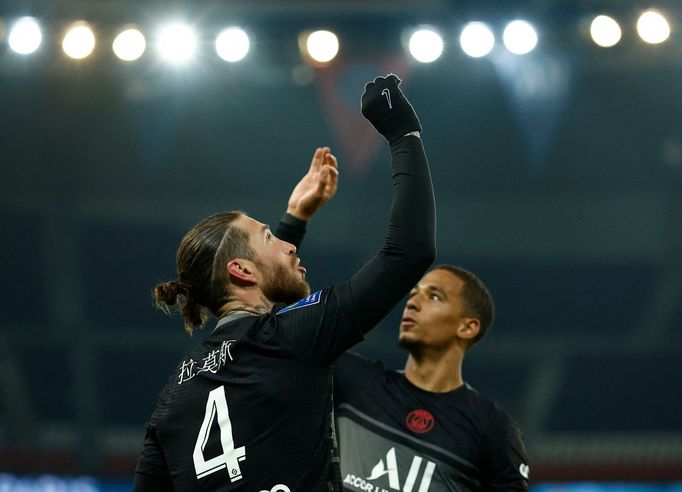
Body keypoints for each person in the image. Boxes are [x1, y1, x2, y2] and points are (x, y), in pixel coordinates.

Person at [133, 74, 436, 491]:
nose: (290, 248)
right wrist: (404, 133)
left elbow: (261, 322)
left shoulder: (173, 396)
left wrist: (294, 219)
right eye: (269, 237)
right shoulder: (288, 338)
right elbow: (408, 253)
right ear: (241, 271)